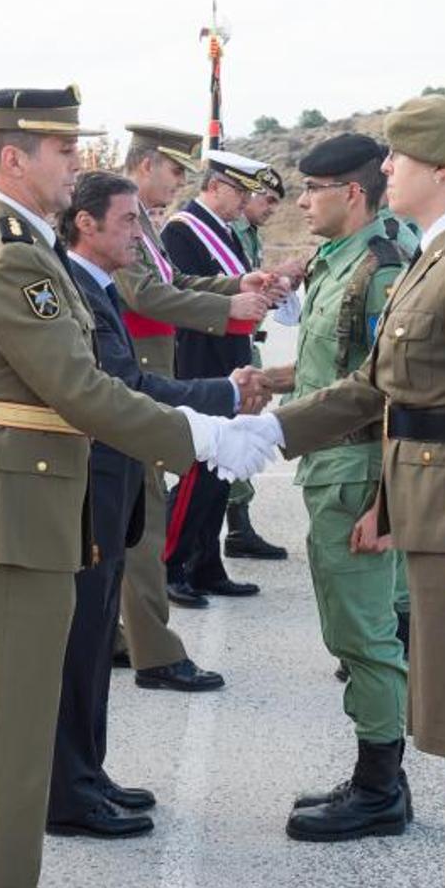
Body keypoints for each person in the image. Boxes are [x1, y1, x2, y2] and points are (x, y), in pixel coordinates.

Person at [232, 95, 445, 888]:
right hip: (439, 512)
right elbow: (379, 386)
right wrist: (270, 432)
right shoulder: (435, 253)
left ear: (444, 168)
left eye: (400, 156)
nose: (384, 167)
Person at [0, 85, 274, 888]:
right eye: (63, 150)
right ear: (13, 157)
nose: (76, 162)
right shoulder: (13, 252)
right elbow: (80, 389)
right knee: (13, 740)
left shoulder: (21, 243)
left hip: (31, 500)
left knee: (21, 732)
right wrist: (203, 435)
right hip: (14, 508)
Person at [47, 170, 270, 840]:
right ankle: (68, 792)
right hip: (88, 483)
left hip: (111, 477)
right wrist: (221, 396)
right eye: (127, 223)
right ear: (86, 224)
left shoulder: (94, 285)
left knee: (94, 643)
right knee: (79, 642)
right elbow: (123, 385)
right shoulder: (72, 288)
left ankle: (89, 774)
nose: (140, 236)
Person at [259, 133, 417, 841]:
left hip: (358, 474)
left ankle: (380, 791)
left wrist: (387, 505)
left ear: (351, 193)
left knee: (363, 637)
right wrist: (270, 380)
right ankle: (379, 778)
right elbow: (340, 367)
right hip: (332, 465)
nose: (300, 202)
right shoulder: (340, 260)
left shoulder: (380, 270)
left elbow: (398, 390)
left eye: (312, 190)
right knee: (354, 632)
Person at [113, 124, 275, 692]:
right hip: (137, 374)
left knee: (133, 516)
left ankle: (117, 636)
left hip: (151, 368)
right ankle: (154, 652)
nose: (182, 181)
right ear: (147, 165)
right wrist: (228, 309)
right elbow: (144, 294)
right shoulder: (121, 217)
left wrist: (235, 284)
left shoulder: (143, 220)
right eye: (176, 170)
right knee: (144, 521)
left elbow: (173, 279)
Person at [161, 150, 273, 603]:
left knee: (221, 468)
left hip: (228, 355)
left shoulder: (226, 232)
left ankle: (206, 563)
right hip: (200, 359)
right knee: (199, 468)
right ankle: (170, 563)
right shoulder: (181, 230)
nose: (245, 201)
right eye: (240, 191)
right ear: (215, 187)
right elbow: (179, 294)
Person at [224, 166, 289, 560]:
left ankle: (239, 523)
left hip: (248, 342)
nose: (271, 209)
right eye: (267, 200)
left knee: (244, 432)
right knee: (232, 433)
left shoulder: (248, 235)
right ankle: (236, 525)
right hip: (228, 345)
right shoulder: (226, 232)